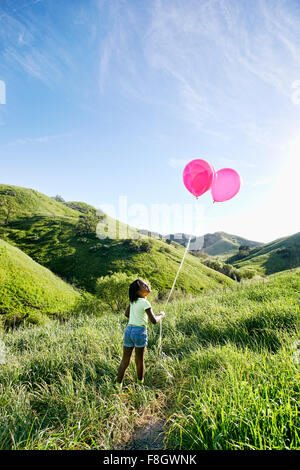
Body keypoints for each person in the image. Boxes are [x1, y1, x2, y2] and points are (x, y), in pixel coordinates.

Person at [116, 279, 165, 389]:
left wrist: (135, 316)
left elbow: (126, 314)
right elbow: (153, 321)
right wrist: (161, 315)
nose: (147, 285)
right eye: (144, 285)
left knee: (125, 360)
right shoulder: (145, 302)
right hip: (139, 332)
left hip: (129, 331)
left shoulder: (133, 302)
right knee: (139, 360)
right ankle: (139, 384)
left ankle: (118, 384)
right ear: (138, 291)